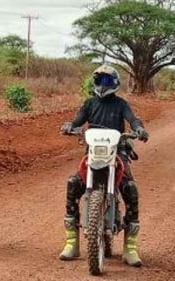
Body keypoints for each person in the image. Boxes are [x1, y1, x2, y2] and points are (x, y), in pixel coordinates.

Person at [58, 64, 149, 267]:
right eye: (100, 80)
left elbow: (132, 119)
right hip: (93, 153)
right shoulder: (89, 103)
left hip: (117, 153)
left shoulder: (121, 104)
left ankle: (130, 248)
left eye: (107, 81)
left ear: (115, 83)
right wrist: (70, 126)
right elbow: (78, 120)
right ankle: (72, 243)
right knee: (73, 184)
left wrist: (139, 128)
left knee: (131, 190)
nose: (102, 84)